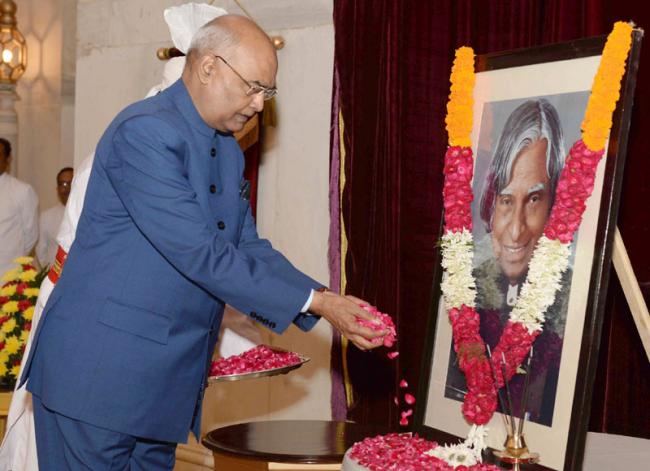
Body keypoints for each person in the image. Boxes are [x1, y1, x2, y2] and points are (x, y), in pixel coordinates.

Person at [22, 14, 382, 470]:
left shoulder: (226, 150)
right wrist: (317, 304)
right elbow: (201, 253)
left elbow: (246, 246)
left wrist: (325, 297)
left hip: (160, 387)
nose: (258, 104)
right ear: (209, 67)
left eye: (267, 93)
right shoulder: (146, 131)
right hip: (98, 378)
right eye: (253, 87)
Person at [446, 99, 571, 426]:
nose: (516, 230)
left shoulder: (570, 302)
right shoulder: (464, 286)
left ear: (554, 204)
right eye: (506, 200)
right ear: (491, 203)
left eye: (534, 199)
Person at [0, 138, 39, 276]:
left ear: (8, 159)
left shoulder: (22, 190)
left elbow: (31, 235)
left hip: (8, 273)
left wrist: (14, 258)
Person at [35, 167, 73, 268]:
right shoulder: (46, 217)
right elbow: (41, 252)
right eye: (63, 184)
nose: (67, 188)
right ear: (57, 189)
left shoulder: (86, 215)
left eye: (70, 183)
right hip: (53, 273)